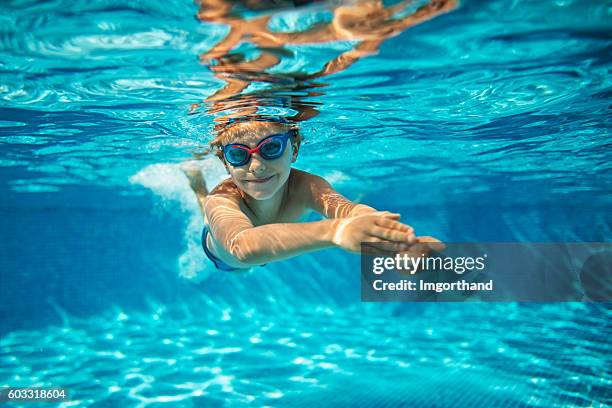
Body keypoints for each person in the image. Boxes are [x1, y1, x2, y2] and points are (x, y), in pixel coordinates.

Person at [182, 117, 443, 273]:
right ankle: (198, 185)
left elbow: (351, 211)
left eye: (271, 148)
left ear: (294, 149)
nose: (257, 165)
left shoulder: (307, 186)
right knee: (208, 209)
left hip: (268, 249)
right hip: (225, 257)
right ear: (225, 163)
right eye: (238, 155)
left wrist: (398, 243)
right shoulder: (224, 200)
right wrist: (336, 232)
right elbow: (241, 247)